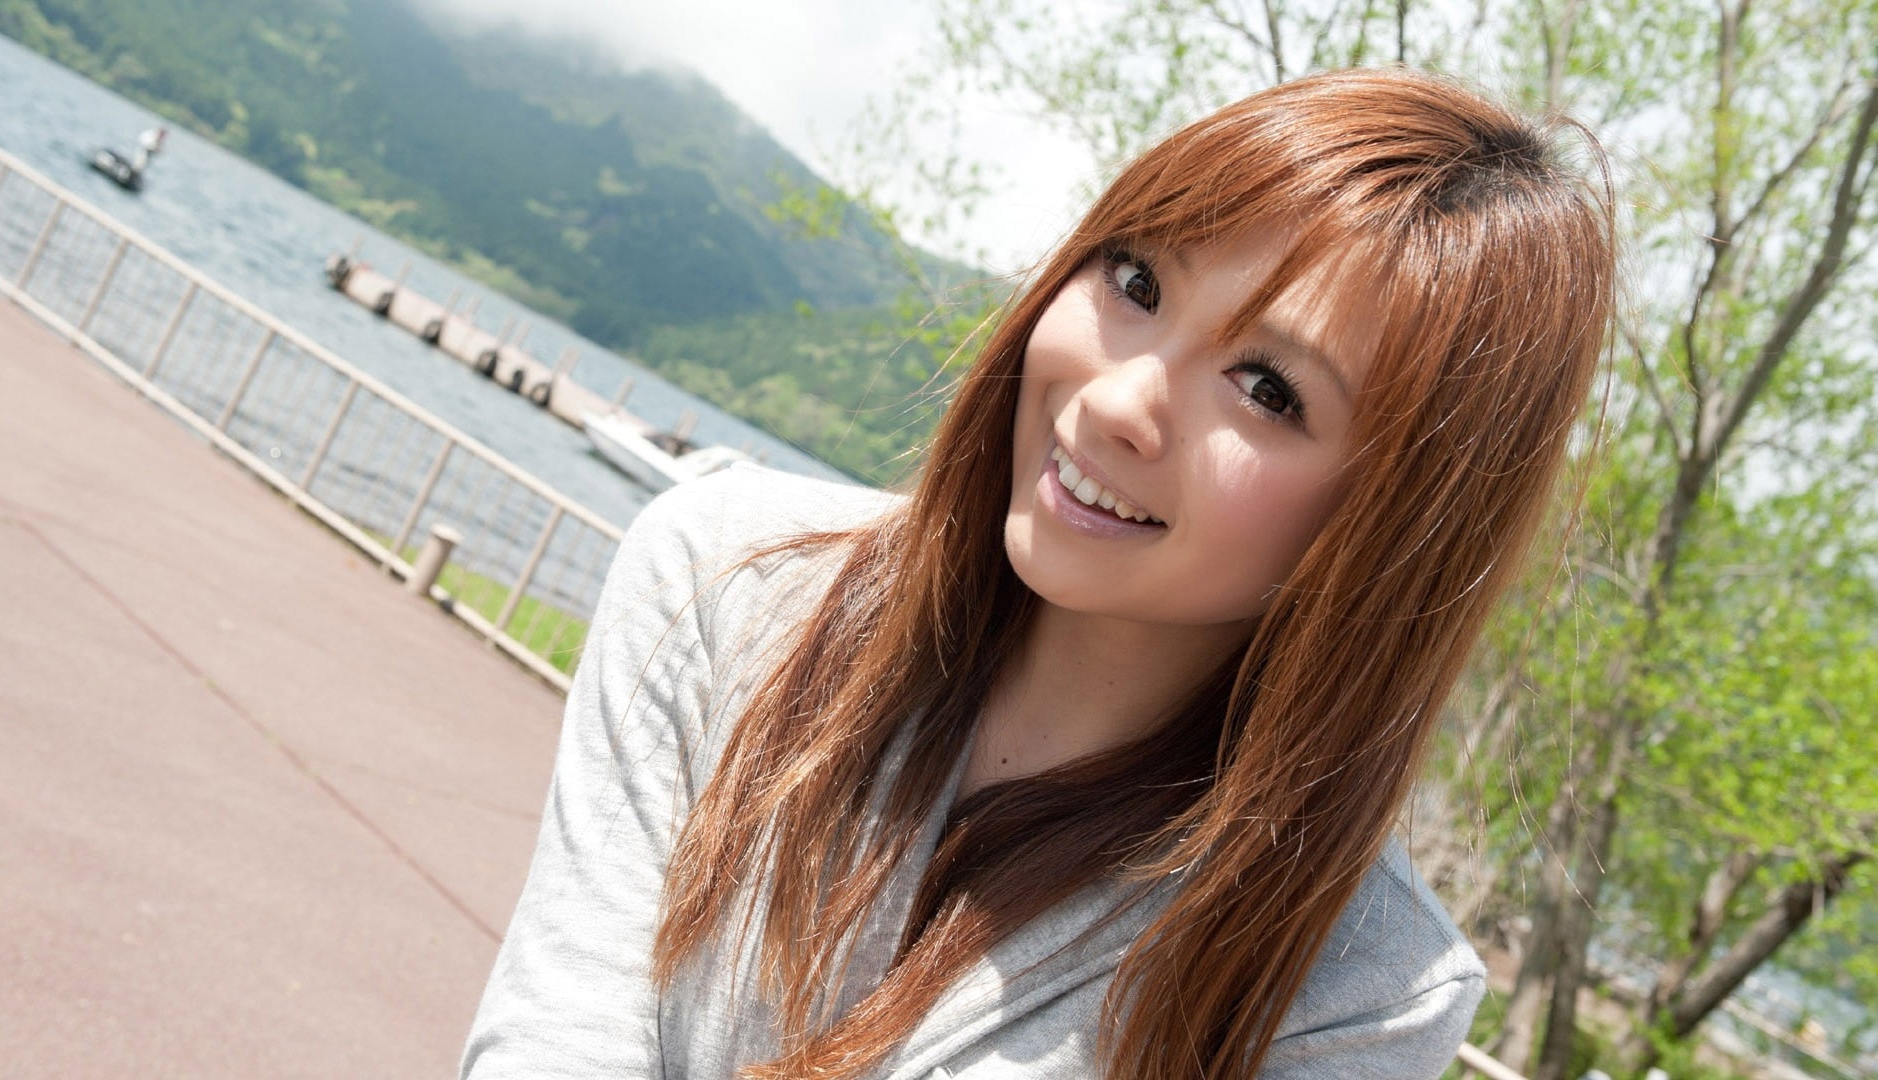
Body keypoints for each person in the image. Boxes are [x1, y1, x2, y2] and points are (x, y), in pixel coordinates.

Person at [460, 67, 1614, 1080]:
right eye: (1137, 282)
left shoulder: (1357, 990)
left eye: (1268, 387)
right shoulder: (726, 581)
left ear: (1397, 525)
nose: (1116, 400)